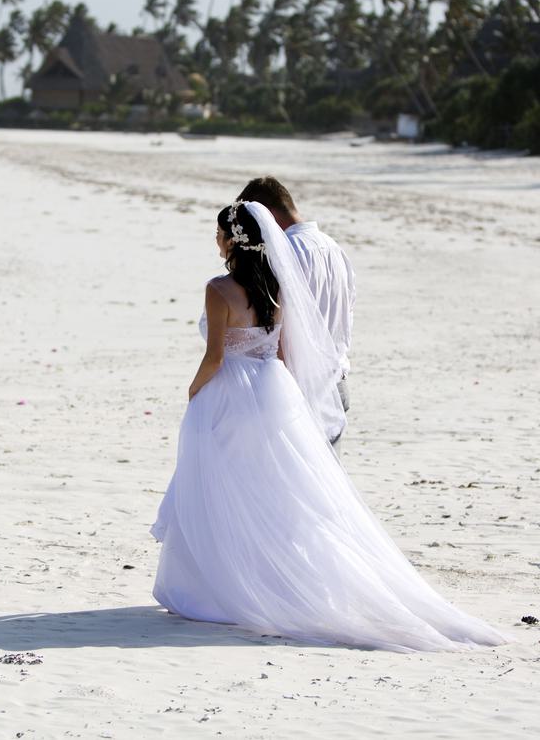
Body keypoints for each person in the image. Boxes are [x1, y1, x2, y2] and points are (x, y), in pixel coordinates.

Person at [150, 200, 510, 652]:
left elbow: (216, 356)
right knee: (272, 491)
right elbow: (277, 352)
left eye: (219, 233)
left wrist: (194, 392)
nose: (216, 240)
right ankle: (267, 576)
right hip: (272, 391)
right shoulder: (277, 287)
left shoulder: (219, 288)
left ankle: (216, 587)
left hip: (231, 392)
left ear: (232, 241)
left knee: (222, 486)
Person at [237, 177, 354, 443]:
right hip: (336, 383)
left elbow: (271, 325)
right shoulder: (334, 248)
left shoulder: (284, 254)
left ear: (266, 216)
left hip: (297, 387)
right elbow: (347, 314)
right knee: (327, 482)